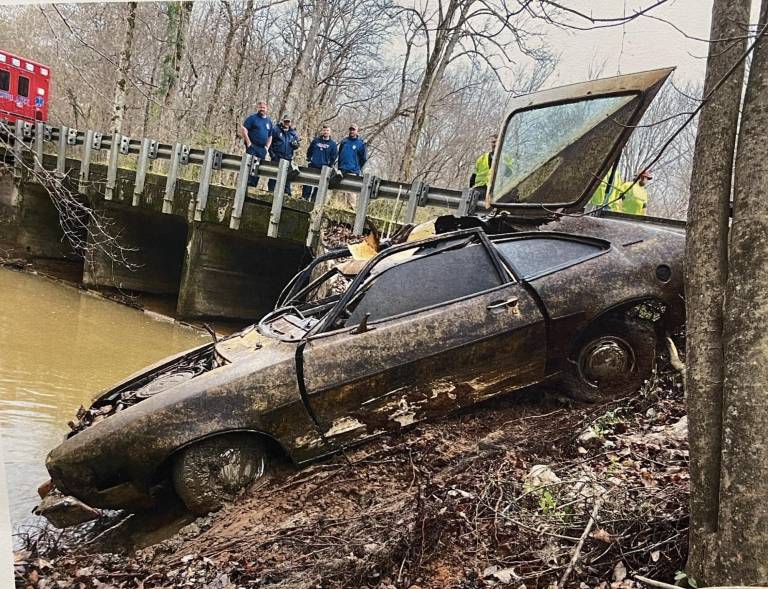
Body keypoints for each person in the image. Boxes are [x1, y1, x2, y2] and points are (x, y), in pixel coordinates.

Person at [241, 101, 274, 187]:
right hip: (252, 147)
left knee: (258, 168)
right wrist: (248, 143)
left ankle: (253, 186)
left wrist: (267, 147)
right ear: (257, 108)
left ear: (267, 109)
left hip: (262, 149)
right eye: (260, 107)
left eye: (264, 108)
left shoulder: (269, 121)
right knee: (250, 166)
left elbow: (270, 136)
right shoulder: (252, 118)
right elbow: (244, 129)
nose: (262, 109)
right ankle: (245, 185)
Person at [267, 114, 301, 196]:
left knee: (287, 177)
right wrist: (272, 155)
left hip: (288, 158)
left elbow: (296, 146)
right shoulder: (275, 130)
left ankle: (287, 194)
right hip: (277, 157)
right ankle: (271, 192)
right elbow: (269, 142)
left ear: (290, 122)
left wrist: (295, 144)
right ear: (282, 121)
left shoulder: (293, 133)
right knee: (274, 175)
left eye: (288, 121)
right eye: (285, 121)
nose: (286, 123)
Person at [302, 124, 338, 201]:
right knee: (308, 182)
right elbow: (309, 150)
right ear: (322, 131)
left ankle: (314, 200)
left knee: (319, 186)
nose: (326, 132)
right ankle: (305, 198)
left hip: (324, 168)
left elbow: (334, 156)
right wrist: (309, 158)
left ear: (330, 132)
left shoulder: (333, 144)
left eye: (327, 130)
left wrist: (329, 165)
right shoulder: (316, 141)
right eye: (324, 130)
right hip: (313, 165)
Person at [469, 134, 497, 207]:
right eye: (493, 142)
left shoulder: (506, 158)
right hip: (479, 189)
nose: (495, 144)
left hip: (496, 191)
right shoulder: (481, 158)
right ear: (490, 143)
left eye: (498, 141)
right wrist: (470, 189)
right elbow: (473, 176)